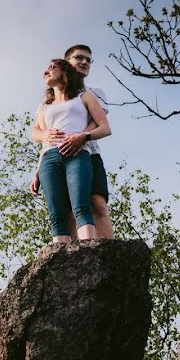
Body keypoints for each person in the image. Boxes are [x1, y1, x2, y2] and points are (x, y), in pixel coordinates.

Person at [30, 44, 114, 238]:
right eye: (79, 58)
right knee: (66, 211)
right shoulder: (48, 101)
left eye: (88, 60)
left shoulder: (94, 93)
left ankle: (106, 253)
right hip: (56, 154)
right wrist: (44, 140)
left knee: (98, 204)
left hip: (88, 152)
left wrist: (79, 138)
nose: (85, 62)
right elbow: (38, 130)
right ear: (66, 63)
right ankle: (74, 258)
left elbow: (98, 122)